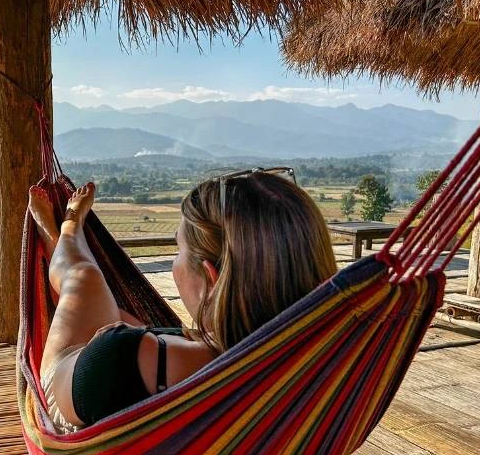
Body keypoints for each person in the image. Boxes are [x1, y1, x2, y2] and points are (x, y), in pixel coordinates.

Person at [27, 169, 337, 432]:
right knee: (115, 314)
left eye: (179, 250)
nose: (176, 260)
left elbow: (75, 376)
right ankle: (68, 246)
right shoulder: (316, 366)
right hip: (167, 372)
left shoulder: (122, 355)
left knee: (84, 280)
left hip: (70, 383)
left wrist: (112, 339)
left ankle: (65, 231)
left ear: (211, 280)